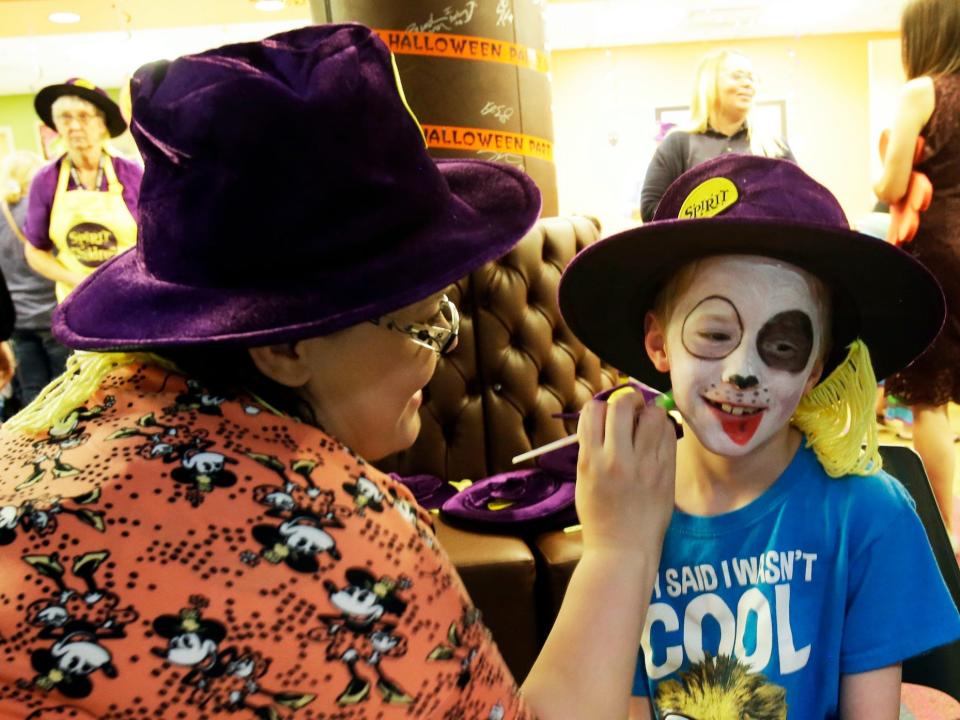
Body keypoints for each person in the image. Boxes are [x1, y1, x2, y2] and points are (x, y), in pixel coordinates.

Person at [0, 24, 677, 718]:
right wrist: (620, 548)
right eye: (421, 321)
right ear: (285, 348)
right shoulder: (330, 529)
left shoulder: (54, 424)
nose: (441, 346)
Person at [559, 154, 960, 718]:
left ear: (817, 365)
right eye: (715, 333)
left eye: (782, 346)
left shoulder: (868, 516)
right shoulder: (627, 514)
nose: (742, 371)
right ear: (659, 343)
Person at [874, 0, 960, 549]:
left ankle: (954, 526)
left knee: (927, 396)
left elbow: (890, 184)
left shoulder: (921, 92)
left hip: (940, 248)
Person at [640, 49, 794, 222]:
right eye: (737, 76)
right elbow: (651, 210)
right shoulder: (678, 143)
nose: (748, 84)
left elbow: (798, 201)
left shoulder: (775, 146)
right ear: (710, 83)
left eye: (752, 78)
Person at [23, 77, 142, 302]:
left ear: (102, 124)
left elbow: (156, 240)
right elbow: (35, 251)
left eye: (84, 117)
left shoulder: (132, 173)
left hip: (131, 296)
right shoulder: (45, 180)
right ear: (56, 125)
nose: (75, 126)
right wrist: (76, 280)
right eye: (66, 118)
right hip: (77, 300)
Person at [0, 150, 70, 409]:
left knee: (32, 393)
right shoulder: (45, 212)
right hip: (52, 312)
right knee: (64, 388)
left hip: (17, 319)